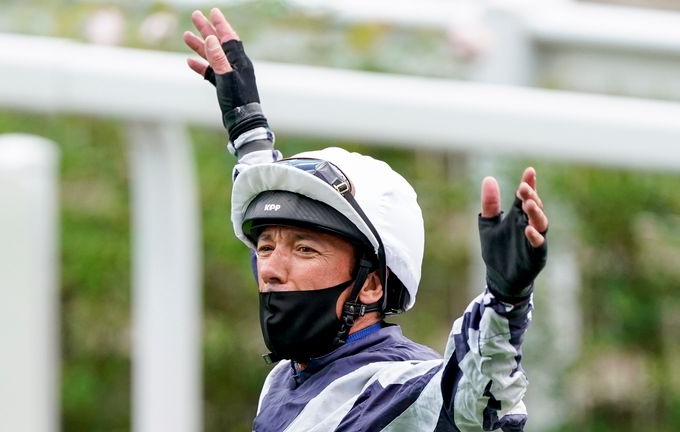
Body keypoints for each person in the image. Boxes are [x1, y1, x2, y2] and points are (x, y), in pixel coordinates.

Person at [184, 8, 548, 432]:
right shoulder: (286, 376)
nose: (271, 269)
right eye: (266, 246)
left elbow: (477, 399)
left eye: (304, 249)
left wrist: (507, 299)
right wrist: (247, 127)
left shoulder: (401, 390)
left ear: (373, 282)